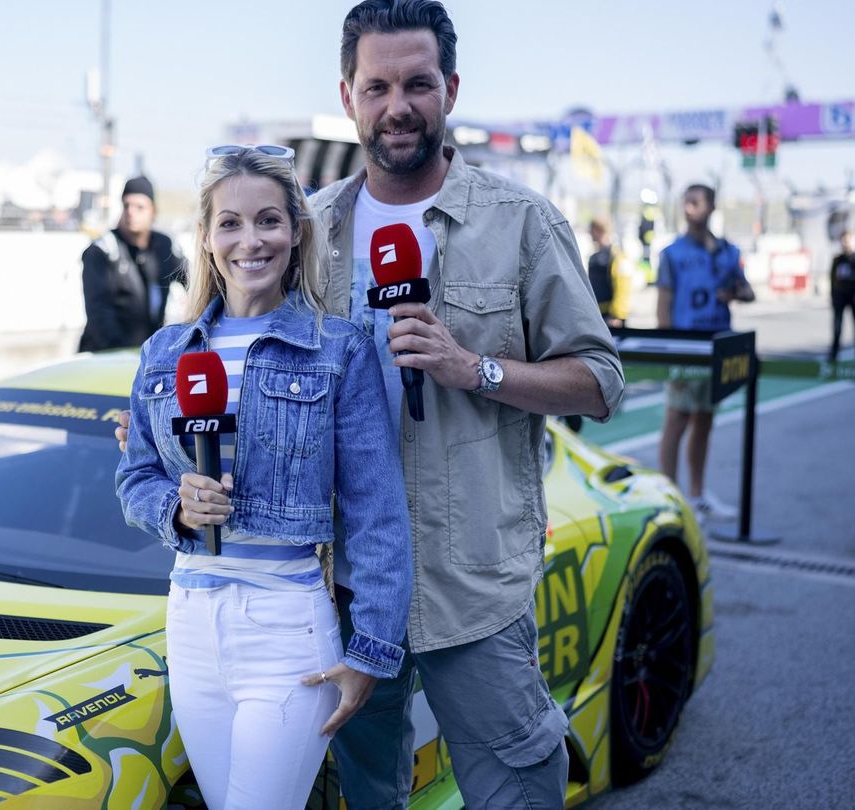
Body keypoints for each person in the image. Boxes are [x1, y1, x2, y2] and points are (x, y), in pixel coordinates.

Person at [119, 3, 623, 807]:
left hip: (474, 587)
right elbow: (247, 366)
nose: (398, 106)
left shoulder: (522, 223)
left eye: (418, 84)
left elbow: (600, 381)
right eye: (377, 85)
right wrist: (163, 435)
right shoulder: (303, 229)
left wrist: (473, 368)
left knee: (515, 790)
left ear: (450, 89)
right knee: (369, 795)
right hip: (333, 592)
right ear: (348, 95)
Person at [116, 146, 412, 810]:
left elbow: (377, 513)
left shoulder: (338, 349)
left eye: (269, 220)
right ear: (207, 238)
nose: (251, 240)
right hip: (190, 622)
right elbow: (133, 476)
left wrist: (371, 649)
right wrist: (178, 507)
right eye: (231, 223)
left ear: (297, 232)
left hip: (285, 627)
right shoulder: (165, 352)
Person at [656, 183, 755, 522]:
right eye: (686, 202)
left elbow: (748, 291)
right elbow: (663, 306)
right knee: (677, 419)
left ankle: (696, 495)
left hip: (717, 345)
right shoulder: (672, 253)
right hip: (686, 346)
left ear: (711, 207)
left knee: (704, 420)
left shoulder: (727, 250)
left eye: (696, 202)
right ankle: (669, 497)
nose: (689, 208)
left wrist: (737, 293)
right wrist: (669, 353)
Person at [77, 176, 186, 352]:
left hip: (147, 355)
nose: (131, 212)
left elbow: (195, 283)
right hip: (105, 357)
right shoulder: (102, 250)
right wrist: (124, 353)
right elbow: (98, 314)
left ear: (153, 211)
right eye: (126, 205)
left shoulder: (164, 246)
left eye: (139, 207)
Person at [829, 230, 855, 362]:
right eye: (843, 239)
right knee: (837, 327)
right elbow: (832, 278)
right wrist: (833, 296)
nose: (846, 242)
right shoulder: (837, 259)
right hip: (840, 297)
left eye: (848, 239)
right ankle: (834, 355)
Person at [587, 217, 630, 328]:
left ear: (598, 230)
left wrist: (617, 315)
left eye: (591, 230)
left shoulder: (617, 256)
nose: (589, 233)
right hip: (597, 316)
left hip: (611, 319)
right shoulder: (594, 257)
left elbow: (623, 287)